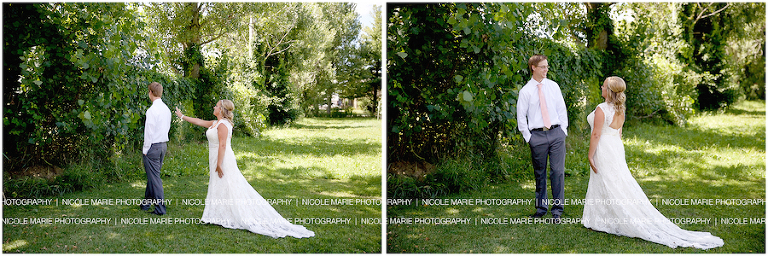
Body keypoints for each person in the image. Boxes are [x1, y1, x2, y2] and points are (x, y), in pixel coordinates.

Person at [582, 76, 723, 249]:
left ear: (609, 91)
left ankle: (601, 220)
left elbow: (596, 134)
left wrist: (590, 155)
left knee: (606, 181)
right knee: (615, 182)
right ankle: (601, 218)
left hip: (604, 147)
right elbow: (619, 133)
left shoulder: (601, 109)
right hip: (616, 147)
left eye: (603, 85)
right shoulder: (620, 108)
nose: (601, 87)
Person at [175, 100, 314, 238]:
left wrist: (219, 164)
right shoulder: (215, 123)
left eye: (217, 106)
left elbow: (223, 145)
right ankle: (219, 214)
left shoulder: (223, 125)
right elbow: (198, 121)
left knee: (228, 184)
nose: (214, 107)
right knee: (219, 184)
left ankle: (231, 214)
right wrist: (182, 116)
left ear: (222, 110)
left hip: (222, 158)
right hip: (215, 157)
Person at [516, 54, 569, 223]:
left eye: (547, 66)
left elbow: (562, 109)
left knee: (558, 171)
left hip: (556, 134)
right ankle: (541, 208)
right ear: (533, 68)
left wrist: (563, 130)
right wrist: (529, 138)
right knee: (540, 173)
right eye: (543, 67)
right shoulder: (525, 91)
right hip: (537, 136)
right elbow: (521, 118)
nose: (546, 69)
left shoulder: (553, 86)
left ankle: (557, 209)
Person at [141, 82, 172, 215]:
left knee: (155, 178)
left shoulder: (152, 110)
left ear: (150, 92)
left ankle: (160, 209)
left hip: (153, 146)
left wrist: (145, 149)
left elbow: (149, 132)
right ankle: (146, 204)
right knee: (153, 175)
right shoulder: (166, 109)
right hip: (163, 145)